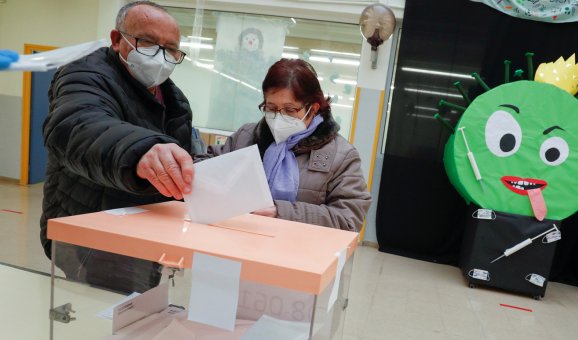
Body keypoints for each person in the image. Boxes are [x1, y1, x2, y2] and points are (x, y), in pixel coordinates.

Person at [41, 1, 195, 294]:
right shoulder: (86, 73)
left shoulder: (175, 100)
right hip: (93, 231)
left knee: (137, 308)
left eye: (171, 48)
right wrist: (142, 150)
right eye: (148, 42)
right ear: (117, 39)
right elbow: (75, 126)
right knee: (99, 315)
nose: (160, 56)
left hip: (145, 233)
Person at [200, 58, 371, 231]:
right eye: (271, 108)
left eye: (290, 110)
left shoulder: (341, 155)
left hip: (299, 252)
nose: (278, 118)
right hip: (238, 239)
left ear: (313, 109)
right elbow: (207, 167)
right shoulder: (246, 137)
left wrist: (281, 212)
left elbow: (349, 218)